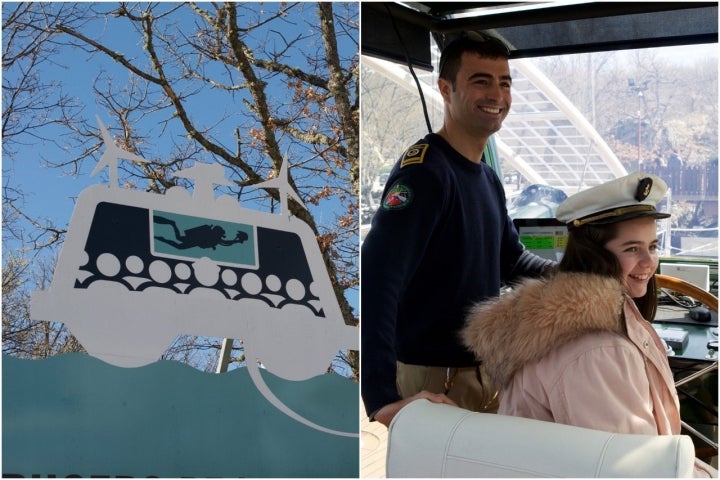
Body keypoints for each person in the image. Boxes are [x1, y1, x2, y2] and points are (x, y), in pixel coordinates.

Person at [462, 172, 716, 477]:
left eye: (653, 246)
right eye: (632, 249)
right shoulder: (598, 353)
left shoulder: (589, 331)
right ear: (595, 255)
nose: (650, 262)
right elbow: (634, 469)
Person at [361, 33, 554, 427]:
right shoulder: (426, 173)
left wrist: (581, 276)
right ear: (446, 89)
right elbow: (377, 276)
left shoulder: (487, 177)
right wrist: (380, 397)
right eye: (480, 81)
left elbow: (511, 260)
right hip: (434, 379)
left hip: (480, 372)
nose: (496, 94)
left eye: (504, 82)